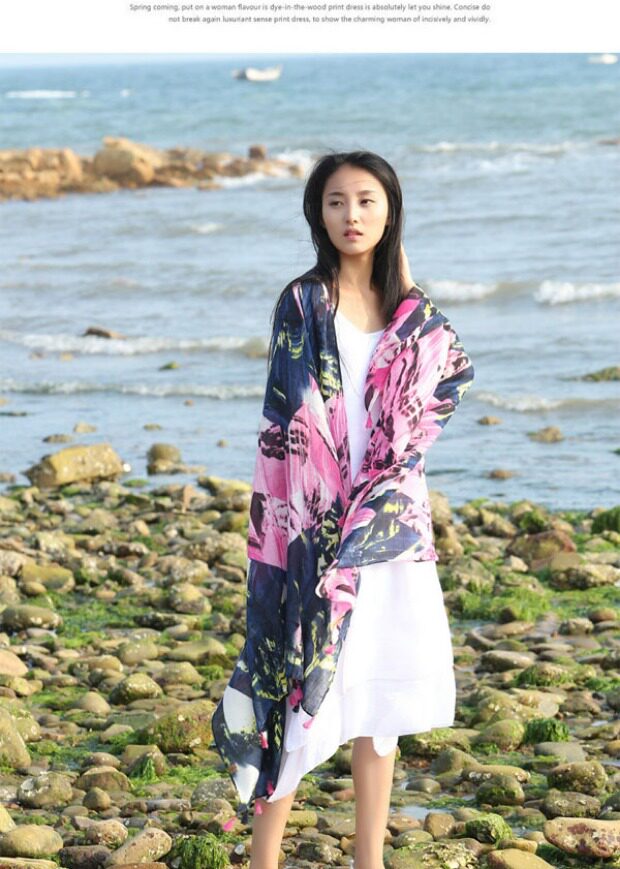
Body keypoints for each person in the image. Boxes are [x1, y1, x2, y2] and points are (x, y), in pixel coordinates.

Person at [211, 150, 475, 869]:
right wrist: (310, 528)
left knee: (381, 704)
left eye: (366, 200)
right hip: (318, 528)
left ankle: (370, 860)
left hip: (389, 524)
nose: (351, 215)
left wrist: (405, 277)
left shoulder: (407, 311)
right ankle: (264, 860)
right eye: (335, 202)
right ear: (317, 214)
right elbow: (284, 423)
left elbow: (447, 371)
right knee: (301, 696)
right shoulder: (303, 302)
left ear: (390, 211)